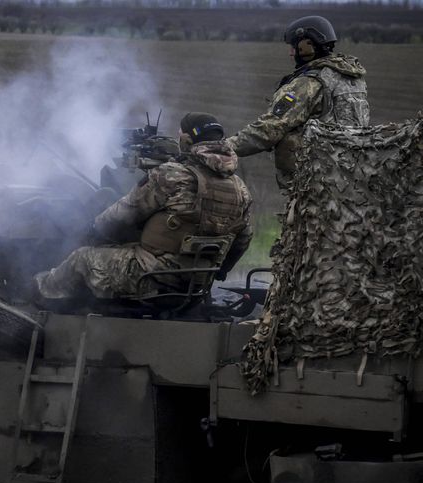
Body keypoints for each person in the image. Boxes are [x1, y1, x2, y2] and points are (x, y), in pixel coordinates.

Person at [35, 113, 253, 302]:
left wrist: (91, 231)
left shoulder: (171, 175)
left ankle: (39, 296)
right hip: (196, 283)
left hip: (151, 278)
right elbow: (243, 238)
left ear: (187, 140)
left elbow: (122, 214)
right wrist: (219, 271)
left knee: (81, 258)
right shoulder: (240, 189)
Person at [225, 15, 370, 190]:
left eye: (294, 47)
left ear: (307, 45)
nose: (291, 53)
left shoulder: (309, 83)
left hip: (316, 179)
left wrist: (226, 146)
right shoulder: (350, 77)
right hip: (350, 174)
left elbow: (271, 127)